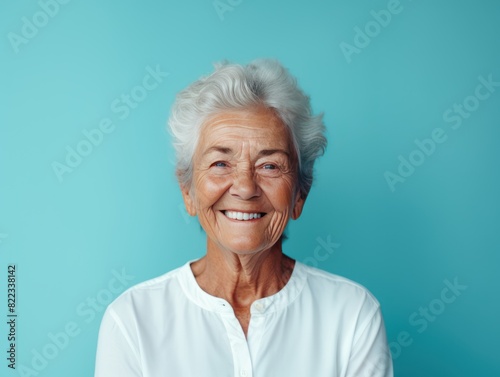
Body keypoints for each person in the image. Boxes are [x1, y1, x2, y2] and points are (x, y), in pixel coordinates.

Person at [94, 59, 393, 376]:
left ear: (300, 195)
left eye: (270, 166)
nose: (245, 188)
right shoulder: (132, 321)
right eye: (221, 163)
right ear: (188, 191)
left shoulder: (352, 315)